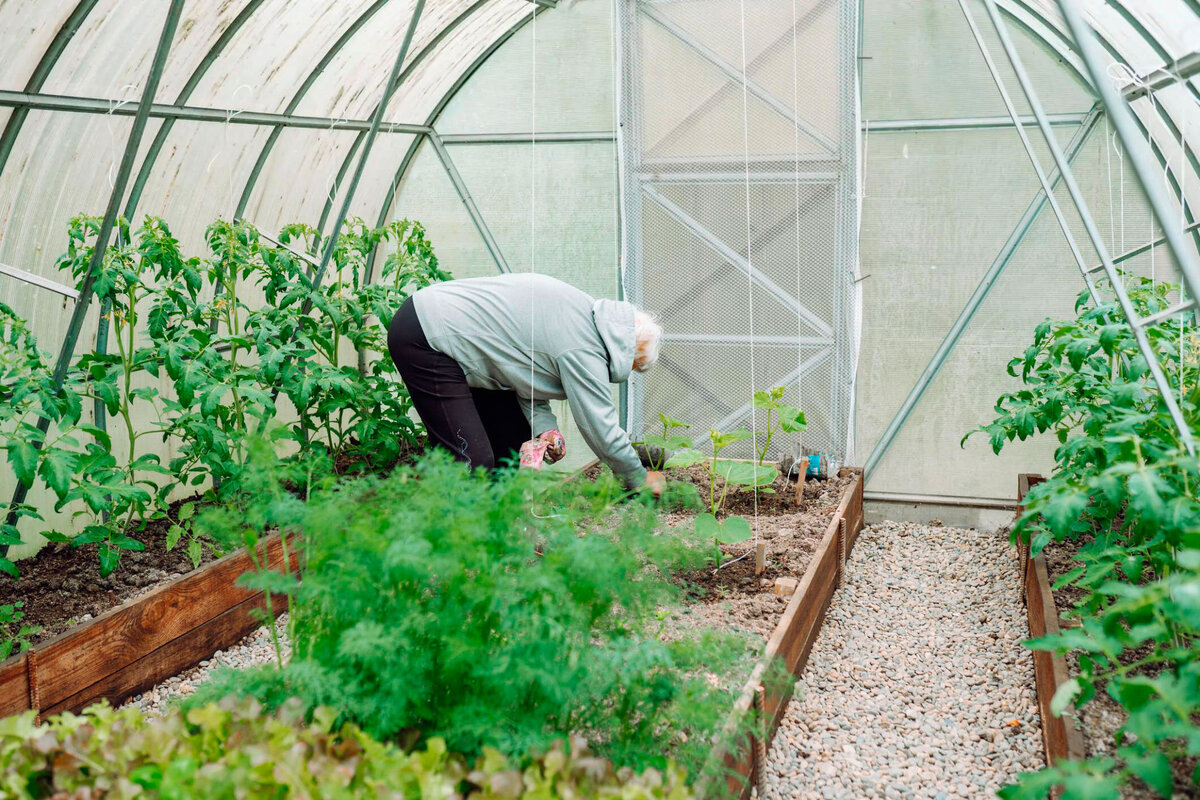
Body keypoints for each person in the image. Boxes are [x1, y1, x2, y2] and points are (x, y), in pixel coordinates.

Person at [387, 273, 665, 495]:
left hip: (446, 333)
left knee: (512, 437)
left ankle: (496, 523)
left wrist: (545, 428)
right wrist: (639, 479)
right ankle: (455, 544)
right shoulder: (585, 348)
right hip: (427, 335)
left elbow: (524, 373)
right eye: (633, 368)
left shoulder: (586, 320)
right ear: (628, 354)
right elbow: (600, 429)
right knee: (471, 460)